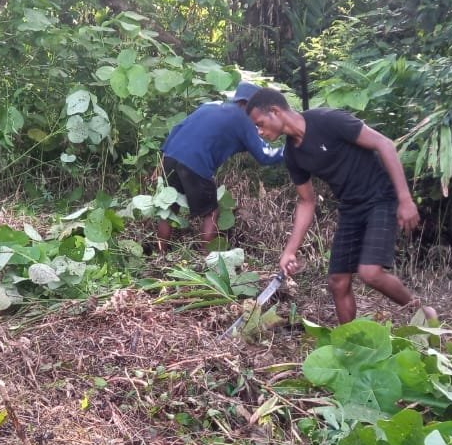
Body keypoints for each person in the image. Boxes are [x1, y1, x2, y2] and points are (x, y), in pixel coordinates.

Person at [246, 87, 436, 324]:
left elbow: (384, 143)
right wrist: (290, 250)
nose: (260, 131)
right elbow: (307, 201)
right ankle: (349, 342)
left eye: (260, 123)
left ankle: (422, 313)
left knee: (370, 272)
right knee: (338, 281)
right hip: (350, 207)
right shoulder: (293, 155)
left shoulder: (327, 120)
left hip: (381, 197)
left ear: (275, 111)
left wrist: (405, 199)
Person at [157, 81, 285, 248]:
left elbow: (176, 129)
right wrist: (292, 150)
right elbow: (265, 156)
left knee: (168, 209)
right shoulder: (243, 119)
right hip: (196, 162)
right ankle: (208, 259)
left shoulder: (210, 106)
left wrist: (162, 160)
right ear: (250, 105)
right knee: (211, 212)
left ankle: (160, 253)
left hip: (171, 156)